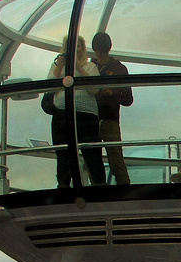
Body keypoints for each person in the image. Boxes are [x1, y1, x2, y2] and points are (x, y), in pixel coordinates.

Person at [42, 36, 102, 191]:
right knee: (63, 151)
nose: (75, 49)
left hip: (86, 116)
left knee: (92, 152)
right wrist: (57, 69)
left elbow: (95, 89)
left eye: (79, 46)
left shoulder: (90, 67)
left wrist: (79, 68)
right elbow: (48, 89)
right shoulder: (57, 67)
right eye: (71, 46)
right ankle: (63, 185)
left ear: (83, 48)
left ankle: (99, 185)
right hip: (62, 115)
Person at [92, 31, 133, 186]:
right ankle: (124, 190)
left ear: (96, 48)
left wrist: (111, 93)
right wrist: (114, 94)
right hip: (109, 119)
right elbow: (128, 99)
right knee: (115, 158)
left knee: (94, 158)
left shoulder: (89, 68)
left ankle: (99, 190)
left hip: (93, 118)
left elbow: (128, 99)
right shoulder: (119, 69)